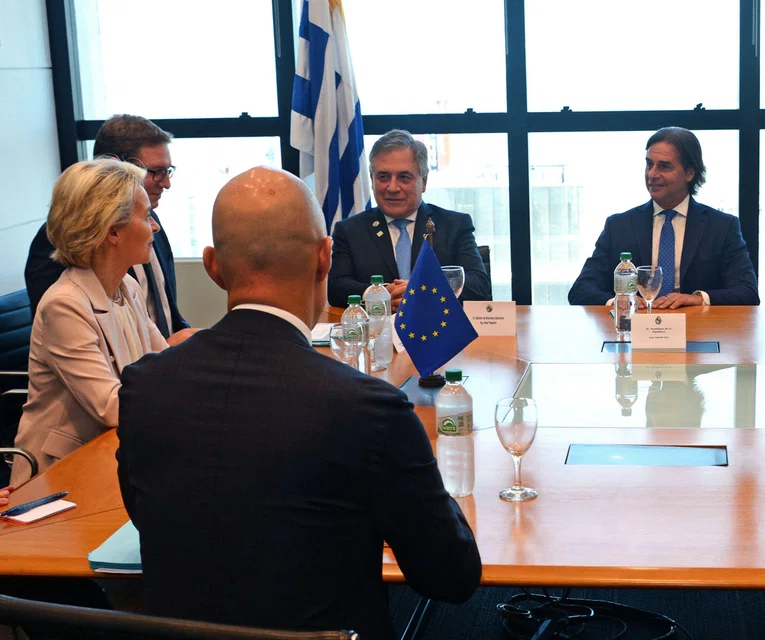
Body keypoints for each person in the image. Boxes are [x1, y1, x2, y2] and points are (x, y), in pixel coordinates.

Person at [116, 167, 482, 638]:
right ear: (325, 258)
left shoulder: (144, 385)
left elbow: (148, 517)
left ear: (212, 266)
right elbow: (451, 578)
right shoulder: (367, 408)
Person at [10, 160, 193, 486]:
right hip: (59, 477)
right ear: (112, 231)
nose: (155, 228)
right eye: (146, 216)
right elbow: (110, 407)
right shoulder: (65, 305)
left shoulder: (127, 287)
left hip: (115, 456)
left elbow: (165, 365)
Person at [24, 114, 189, 338]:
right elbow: (61, 332)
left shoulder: (152, 223)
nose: (166, 183)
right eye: (155, 172)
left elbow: (168, 318)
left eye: (167, 171)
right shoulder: (59, 238)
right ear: (113, 168)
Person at [568, 127, 760, 308]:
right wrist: (617, 301)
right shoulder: (619, 226)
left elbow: (748, 292)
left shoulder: (722, 227)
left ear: (690, 173)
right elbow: (581, 290)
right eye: (649, 164)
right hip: (634, 333)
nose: (652, 174)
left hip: (698, 334)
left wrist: (698, 299)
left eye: (664, 167)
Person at [328, 129, 491, 310]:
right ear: (372, 180)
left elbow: (479, 285)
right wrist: (380, 294)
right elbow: (336, 288)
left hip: (439, 330)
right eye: (383, 177)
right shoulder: (350, 230)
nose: (392, 187)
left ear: (424, 182)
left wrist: (425, 291)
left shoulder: (454, 225)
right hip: (377, 332)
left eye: (404, 177)